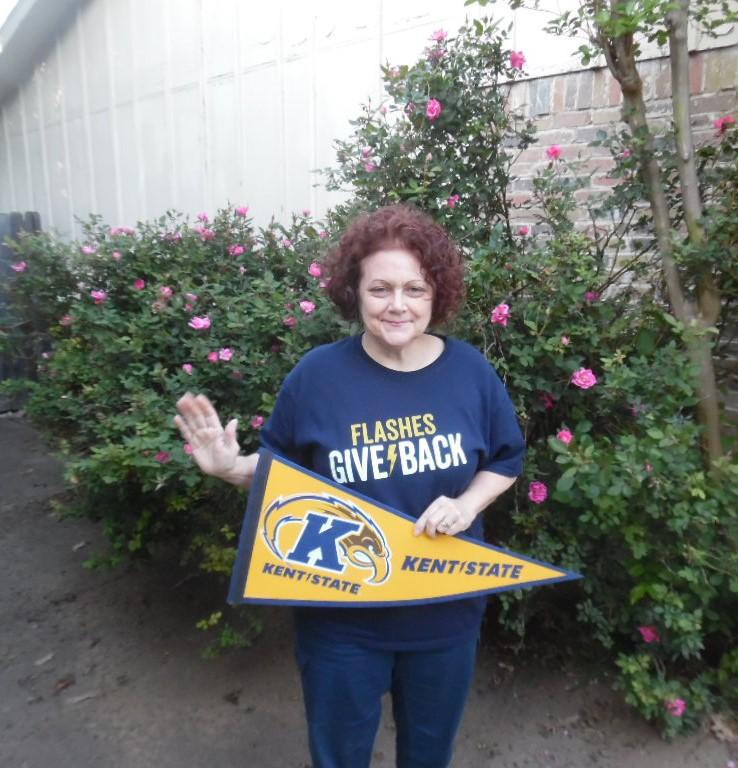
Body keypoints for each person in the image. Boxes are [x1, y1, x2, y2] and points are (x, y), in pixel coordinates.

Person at [174, 204, 525, 768]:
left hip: (445, 614)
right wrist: (230, 468)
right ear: (354, 292)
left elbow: (507, 458)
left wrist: (466, 504)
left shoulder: (471, 373)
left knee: (429, 754)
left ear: (437, 293)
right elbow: (283, 477)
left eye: (415, 288)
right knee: (338, 757)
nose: (398, 305)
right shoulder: (317, 377)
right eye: (380, 288)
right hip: (340, 623)